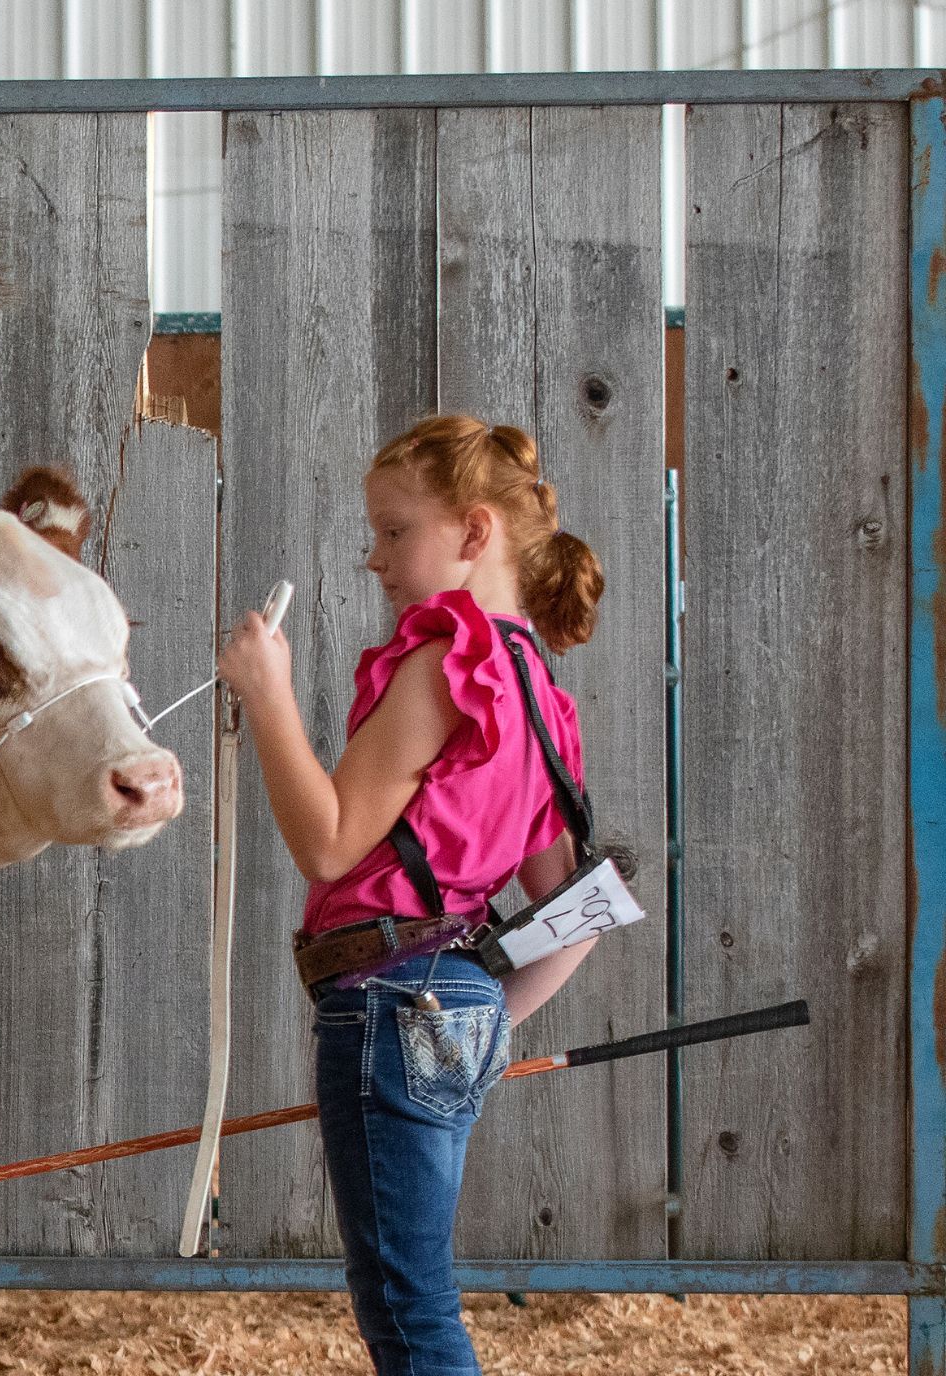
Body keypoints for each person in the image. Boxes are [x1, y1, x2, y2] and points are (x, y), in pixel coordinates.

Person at [214, 413, 608, 1376]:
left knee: (408, 1311)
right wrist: (484, 1015)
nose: (374, 558)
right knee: (410, 1303)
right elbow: (583, 905)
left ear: (475, 534)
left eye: (395, 532)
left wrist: (268, 695)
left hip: (388, 999)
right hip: (444, 1005)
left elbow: (328, 842)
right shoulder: (540, 694)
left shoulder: (446, 665)